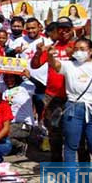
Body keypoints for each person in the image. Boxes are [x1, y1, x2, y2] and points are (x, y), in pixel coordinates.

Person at [47, 38, 92, 163]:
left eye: (82, 49)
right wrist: (49, 56)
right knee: (71, 146)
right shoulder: (69, 65)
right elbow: (55, 64)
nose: (78, 52)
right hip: (73, 109)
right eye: (76, 49)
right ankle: (71, 180)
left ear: (90, 51)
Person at [31, 17, 75, 162]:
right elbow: (35, 65)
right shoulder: (51, 47)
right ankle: (57, 162)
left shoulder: (78, 46)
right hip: (53, 98)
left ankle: (75, 165)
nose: (64, 31)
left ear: (72, 29)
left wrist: (73, 53)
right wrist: (39, 52)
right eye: (60, 28)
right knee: (54, 132)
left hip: (73, 97)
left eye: (67, 28)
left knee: (73, 132)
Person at [1, 72, 36, 154]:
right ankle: (14, 145)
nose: (9, 80)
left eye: (11, 77)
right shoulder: (5, 91)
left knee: (4, 134)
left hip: (25, 124)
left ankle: (21, 145)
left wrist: (29, 77)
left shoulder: (25, 86)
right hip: (11, 124)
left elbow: (41, 87)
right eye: (6, 77)